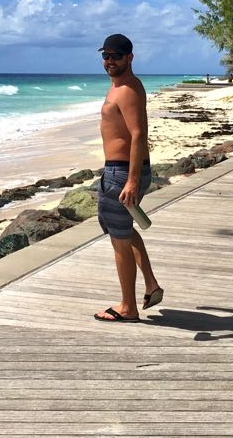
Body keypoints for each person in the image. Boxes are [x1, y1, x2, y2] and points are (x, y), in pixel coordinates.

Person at [94, 33, 163, 323]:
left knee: (119, 240)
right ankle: (151, 284)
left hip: (122, 172)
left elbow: (138, 135)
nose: (110, 61)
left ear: (129, 58)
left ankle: (128, 307)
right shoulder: (121, 86)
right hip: (119, 170)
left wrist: (132, 180)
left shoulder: (127, 90)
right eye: (106, 56)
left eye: (116, 56)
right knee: (121, 229)